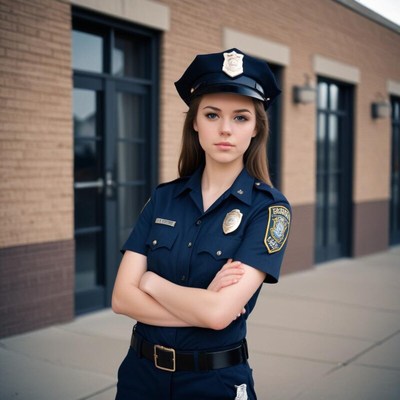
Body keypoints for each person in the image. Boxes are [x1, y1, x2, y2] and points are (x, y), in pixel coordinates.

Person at [112, 48, 291, 400]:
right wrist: (203, 304)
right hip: (140, 378)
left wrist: (150, 282)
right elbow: (121, 298)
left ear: (256, 129)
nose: (225, 129)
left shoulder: (268, 210)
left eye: (240, 118)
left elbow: (220, 314)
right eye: (212, 115)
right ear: (195, 122)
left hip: (214, 383)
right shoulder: (163, 198)